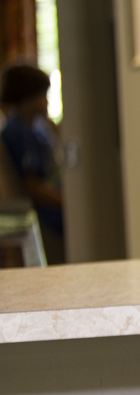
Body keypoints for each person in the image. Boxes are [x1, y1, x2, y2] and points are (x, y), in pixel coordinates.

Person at [1, 64, 64, 263]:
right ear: (27, 97)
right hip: (45, 216)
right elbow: (33, 187)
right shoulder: (18, 132)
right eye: (41, 95)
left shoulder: (37, 128)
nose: (45, 102)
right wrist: (67, 203)